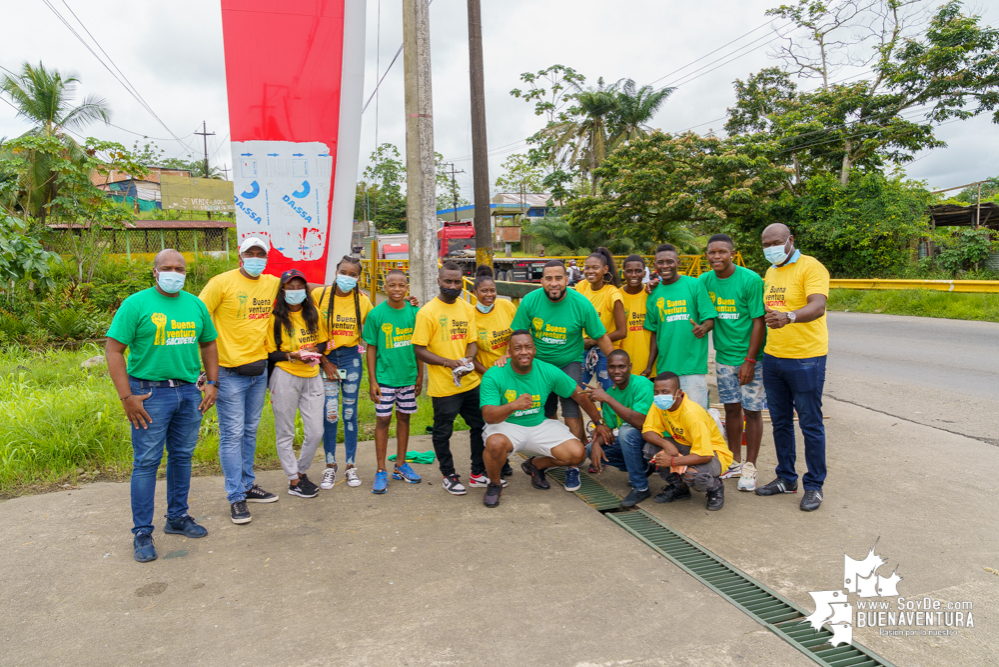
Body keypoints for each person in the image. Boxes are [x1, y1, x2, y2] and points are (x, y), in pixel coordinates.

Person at [106, 249, 219, 562]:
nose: (174, 273)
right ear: (154, 272)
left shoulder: (195, 304)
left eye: (179, 268)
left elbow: (209, 343)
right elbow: (114, 350)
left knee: (182, 456)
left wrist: (212, 382)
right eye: (167, 268)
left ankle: (177, 518)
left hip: (187, 392)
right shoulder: (136, 304)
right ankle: (142, 531)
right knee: (146, 462)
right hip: (148, 395)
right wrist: (126, 397)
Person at [509, 260, 614, 492]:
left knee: (572, 411)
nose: (554, 283)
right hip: (539, 365)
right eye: (549, 278)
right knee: (544, 416)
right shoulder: (530, 301)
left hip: (569, 363)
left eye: (559, 278)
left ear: (567, 280)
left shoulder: (580, 304)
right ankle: (553, 456)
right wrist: (508, 364)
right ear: (541, 281)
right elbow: (516, 337)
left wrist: (619, 364)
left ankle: (572, 466)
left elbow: (600, 336)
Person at [480, 330, 613, 508]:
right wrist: (513, 405)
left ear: (535, 350)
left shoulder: (547, 370)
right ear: (509, 352)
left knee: (577, 454)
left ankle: (535, 465)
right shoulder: (494, 374)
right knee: (494, 444)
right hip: (507, 426)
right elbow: (489, 416)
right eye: (517, 348)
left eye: (528, 347)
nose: (523, 352)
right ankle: (495, 484)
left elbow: (579, 394)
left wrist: (599, 423)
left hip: (538, 424)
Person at [199, 237, 280, 526]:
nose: (256, 257)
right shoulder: (221, 283)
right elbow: (197, 315)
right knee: (231, 434)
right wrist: (204, 369)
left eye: (261, 254)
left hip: (258, 372)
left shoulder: (271, 283)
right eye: (251, 253)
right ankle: (235, 497)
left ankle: (248, 484)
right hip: (228, 373)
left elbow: (304, 289)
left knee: (249, 431)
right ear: (240, 255)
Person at [756, 223, 830, 512]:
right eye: (765, 244)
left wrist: (789, 316)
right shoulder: (771, 272)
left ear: (790, 241)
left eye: (775, 242)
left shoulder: (811, 267)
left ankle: (814, 485)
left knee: (810, 423)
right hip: (774, 357)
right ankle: (786, 477)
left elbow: (818, 306)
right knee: (781, 422)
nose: (770, 248)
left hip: (806, 358)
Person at [412, 261, 487, 495]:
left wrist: (467, 359)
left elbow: (472, 342)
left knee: (481, 425)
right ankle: (449, 475)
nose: (453, 286)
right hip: (444, 386)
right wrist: (448, 363)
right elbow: (419, 349)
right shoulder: (427, 312)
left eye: (457, 282)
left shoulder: (467, 308)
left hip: (470, 382)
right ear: (439, 281)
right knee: (443, 432)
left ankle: (477, 472)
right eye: (448, 281)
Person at [699, 234, 766, 491]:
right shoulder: (704, 281)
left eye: (722, 252)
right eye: (711, 252)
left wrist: (750, 360)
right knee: (732, 410)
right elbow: (684, 291)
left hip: (751, 358)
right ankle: (734, 460)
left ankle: (750, 465)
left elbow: (758, 321)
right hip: (724, 358)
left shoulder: (750, 280)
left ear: (732, 254)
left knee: (752, 410)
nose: (716, 257)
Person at [265, 269, 329, 499]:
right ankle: (293, 479)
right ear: (282, 291)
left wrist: (314, 351)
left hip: (312, 377)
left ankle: (301, 472)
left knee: (315, 432)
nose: (295, 291)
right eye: (290, 287)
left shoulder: (314, 314)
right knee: (286, 432)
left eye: (299, 287)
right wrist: (294, 355)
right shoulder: (275, 319)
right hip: (285, 376)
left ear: (306, 290)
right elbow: (271, 354)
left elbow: (323, 343)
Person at [312, 256, 373, 490]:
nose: (347, 277)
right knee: (330, 414)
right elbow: (310, 325)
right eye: (343, 272)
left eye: (352, 274)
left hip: (351, 358)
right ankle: (329, 466)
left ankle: (350, 466)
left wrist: (407, 303)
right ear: (335, 272)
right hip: (326, 360)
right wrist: (324, 361)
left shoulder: (363, 301)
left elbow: (377, 321)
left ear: (358, 278)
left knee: (349, 413)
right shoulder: (320, 296)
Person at [361, 269, 425, 494]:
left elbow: (420, 346)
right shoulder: (376, 315)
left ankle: (400, 465)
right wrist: (372, 381)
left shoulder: (415, 312)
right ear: (384, 287)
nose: (397, 289)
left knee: (404, 419)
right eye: (392, 285)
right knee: (383, 420)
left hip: (407, 377)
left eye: (401, 285)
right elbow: (371, 348)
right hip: (385, 379)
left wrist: (420, 375)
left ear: (407, 287)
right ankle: (380, 470)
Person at [641, 372, 732, 510]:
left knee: (693, 475)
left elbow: (705, 455)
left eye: (665, 392)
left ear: (679, 393)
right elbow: (647, 431)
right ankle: (680, 488)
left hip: (713, 454)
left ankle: (715, 487)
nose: (660, 396)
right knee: (651, 450)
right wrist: (666, 444)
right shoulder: (659, 405)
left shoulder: (693, 415)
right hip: (687, 446)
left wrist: (672, 461)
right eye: (657, 392)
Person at [642, 244, 718, 409]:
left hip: (692, 368)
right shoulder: (653, 293)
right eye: (660, 262)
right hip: (665, 369)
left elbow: (710, 319)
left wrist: (703, 328)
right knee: (670, 420)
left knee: (696, 418)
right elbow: (655, 333)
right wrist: (649, 366)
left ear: (678, 262)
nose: (665, 266)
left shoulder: (694, 285)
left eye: (670, 261)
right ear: (655, 266)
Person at [587, 350, 655, 507]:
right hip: (634, 443)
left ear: (630, 367)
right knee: (590, 449)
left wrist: (607, 399)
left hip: (654, 440)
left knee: (626, 432)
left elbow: (640, 422)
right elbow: (609, 430)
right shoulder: (611, 393)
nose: (616, 371)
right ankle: (643, 468)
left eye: (621, 366)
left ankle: (641, 487)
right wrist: (596, 444)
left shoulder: (642, 385)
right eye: (612, 367)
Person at [470, 265, 518, 480]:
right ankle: (488, 464)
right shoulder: (470, 315)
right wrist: (490, 374)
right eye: (484, 291)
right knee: (488, 423)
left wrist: (507, 356)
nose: (489, 295)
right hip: (486, 376)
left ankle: (504, 460)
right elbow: (470, 353)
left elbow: (516, 336)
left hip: (509, 372)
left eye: (492, 291)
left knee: (509, 418)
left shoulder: (507, 307)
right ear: (475, 293)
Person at [575, 247, 626, 391]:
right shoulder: (581, 288)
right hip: (582, 349)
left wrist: (593, 341)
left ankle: (606, 414)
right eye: (587, 268)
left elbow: (622, 332)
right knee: (575, 390)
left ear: (605, 269)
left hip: (605, 350)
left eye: (595, 268)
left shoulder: (612, 295)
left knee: (607, 393)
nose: (590, 271)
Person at [617, 255, 656, 380]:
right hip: (623, 366)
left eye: (638, 271)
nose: (634, 275)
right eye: (629, 271)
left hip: (650, 365)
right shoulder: (616, 296)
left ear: (644, 273)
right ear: (624, 273)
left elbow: (656, 331)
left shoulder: (652, 293)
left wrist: (650, 365)